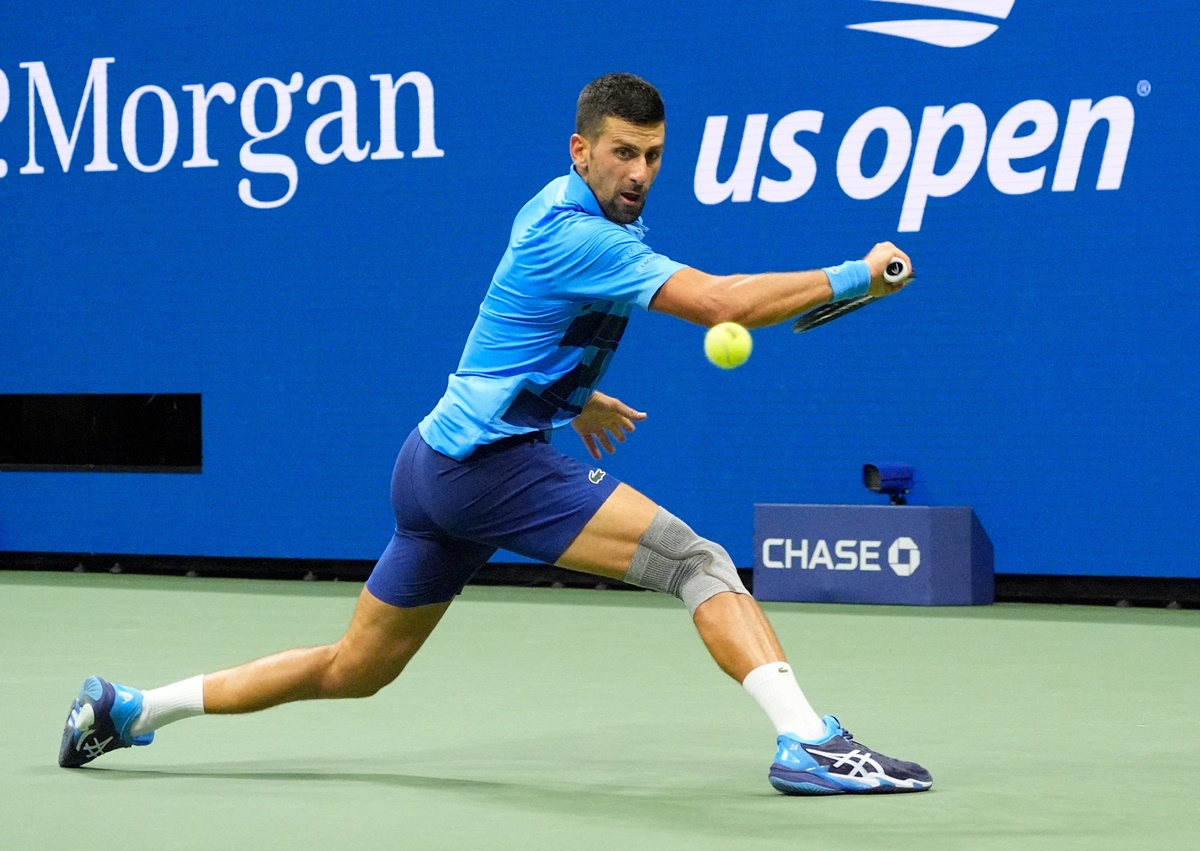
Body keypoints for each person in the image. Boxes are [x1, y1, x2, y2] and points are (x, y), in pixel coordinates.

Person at [59, 73, 930, 796]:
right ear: (580, 149)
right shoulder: (578, 234)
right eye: (622, 152)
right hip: (486, 469)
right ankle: (808, 742)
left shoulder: (564, 212)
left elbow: (524, 331)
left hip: (432, 464)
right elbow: (723, 305)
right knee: (695, 561)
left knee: (353, 669)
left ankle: (129, 710)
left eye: (654, 155)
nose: (639, 171)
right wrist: (857, 272)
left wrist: (570, 400)